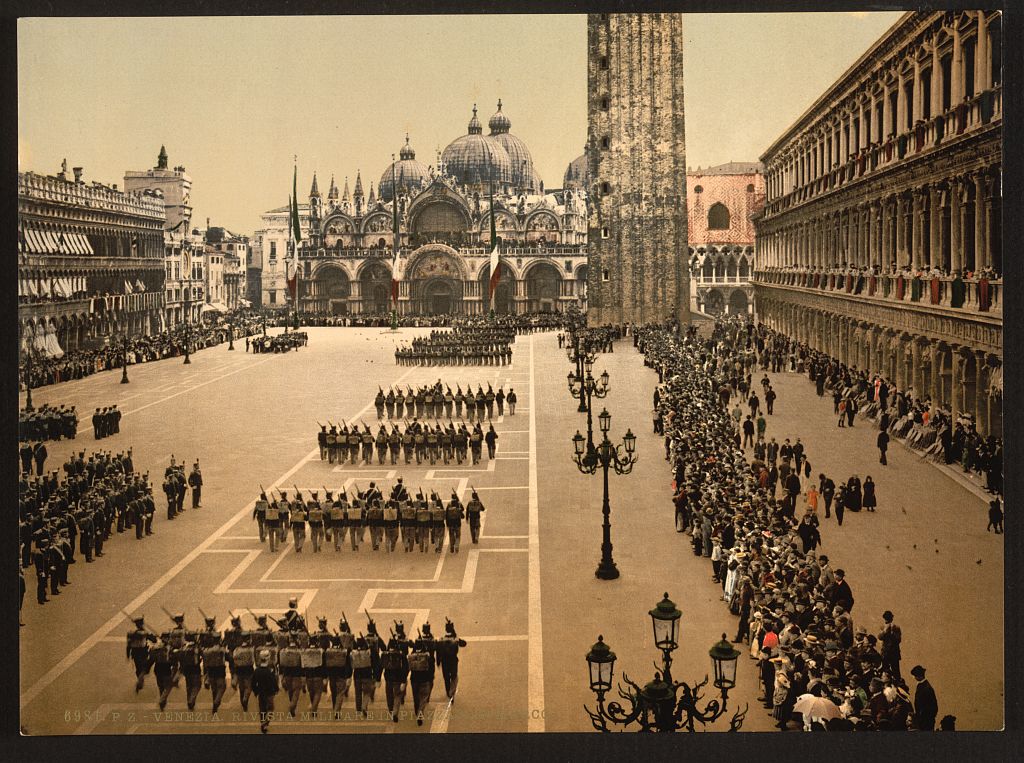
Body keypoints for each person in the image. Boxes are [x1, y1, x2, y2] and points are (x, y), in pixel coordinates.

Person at [252, 648, 279, 734]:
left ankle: (263, 723)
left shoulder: (257, 671)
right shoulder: (270, 671)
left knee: (262, 709)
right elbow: (274, 682)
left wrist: (256, 692)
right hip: (270, 693)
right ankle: (266, 723)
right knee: (271, 709)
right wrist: (276, 689)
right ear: (268, 658)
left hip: (261, 693)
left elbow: (253, 683)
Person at [126, 616, 156, 692]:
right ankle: (140, 681)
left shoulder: (131, 634)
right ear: (142, 624)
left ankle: (140, 680)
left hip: (135, 653)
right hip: (143, 653)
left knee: (138, 668)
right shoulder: (144, 633)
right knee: (144, 667)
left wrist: (128, 655)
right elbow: (154, 640)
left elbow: (128, 645)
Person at [910, 665, 938, 731]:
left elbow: (930, 706)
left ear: (918, 676)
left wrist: (921, 717)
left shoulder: (925, 688)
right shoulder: (924, 686)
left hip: (925, 720)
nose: (913, 677)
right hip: (925, 719)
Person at [878, 610, 902, 684]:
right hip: (886, 652)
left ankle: (897, 683)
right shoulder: (882, 627)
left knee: (896, 670)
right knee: (885, 669)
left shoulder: (896, 627)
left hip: (894, 651)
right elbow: (880, 637)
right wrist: (885, 630)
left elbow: (898, 639)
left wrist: (892, 632)